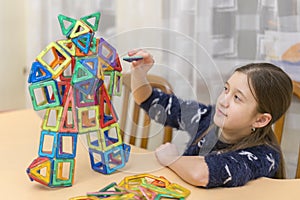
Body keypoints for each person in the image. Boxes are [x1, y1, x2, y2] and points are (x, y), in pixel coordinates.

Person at [127, 49, 293, 188]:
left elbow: (202, 174)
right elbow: (151, 102)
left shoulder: (264, 156)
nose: (223, 101)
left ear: (260, 120)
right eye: (226, 89)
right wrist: (139, 73)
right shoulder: (207, 117)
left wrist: (171, 158)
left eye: (237, 98)